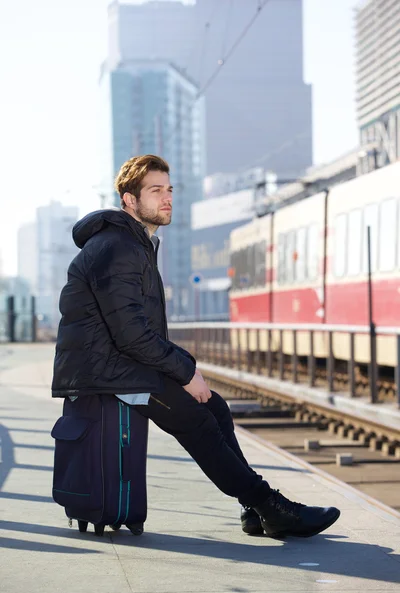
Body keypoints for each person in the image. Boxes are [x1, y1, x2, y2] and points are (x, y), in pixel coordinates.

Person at [52, 154, 340, 538]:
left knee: (214, 406)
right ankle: (271, 505)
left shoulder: (134, 244)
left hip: (118, 366)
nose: (166, 198)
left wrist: (187, 369)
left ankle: (255, 510)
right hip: (106, 374)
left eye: (169, 190)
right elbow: (131, 334)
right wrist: (186, 372)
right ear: (129, 200)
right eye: (155, 191)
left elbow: (135, 331)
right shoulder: (118, 247)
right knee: (198, 420)